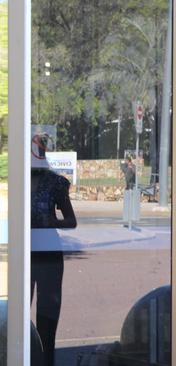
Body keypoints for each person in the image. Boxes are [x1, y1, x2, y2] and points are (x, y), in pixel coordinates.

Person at [30, 133, 77, 366]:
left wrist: (53, 222)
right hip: (25, 254)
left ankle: (46, 360)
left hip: (49, 254)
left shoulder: (55, 182)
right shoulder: (17, 183)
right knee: (18, 311)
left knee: (47, 314)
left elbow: (71, 221)